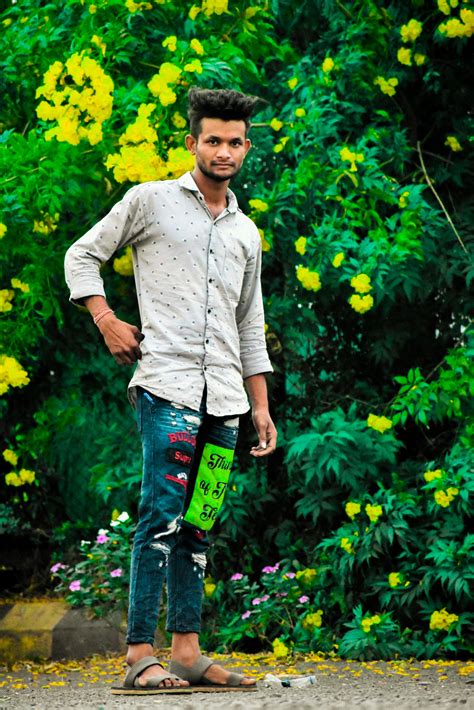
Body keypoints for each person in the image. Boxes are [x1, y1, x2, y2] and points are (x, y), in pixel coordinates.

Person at [64, 87, 277, 694]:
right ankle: (139, 655)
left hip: (226, 403)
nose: (224, 151)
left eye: (235, 142)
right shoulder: (150, 201)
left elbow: (249, 324)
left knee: (199, 523)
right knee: (160, 517)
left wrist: (260, 406)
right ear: (192, 143)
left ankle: (186, 652)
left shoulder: (246, 233)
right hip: (168, 390)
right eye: (213, 140)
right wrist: (106, 320)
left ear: (246, 147)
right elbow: (81, 256)